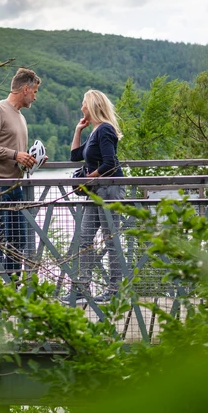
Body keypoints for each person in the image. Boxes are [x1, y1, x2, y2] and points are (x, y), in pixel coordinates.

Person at [0, 67, 43, 275]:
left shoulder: (20, 117)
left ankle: (12, 289)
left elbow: (16, 156)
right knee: (1, 241)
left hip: (14, 185)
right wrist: (15, 155)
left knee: (18, 241)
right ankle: (1, 292)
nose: (35, 97)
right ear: (25, 89)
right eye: (35, 92)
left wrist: (33, 159)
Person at [69, 89, 126, 301]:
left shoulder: (105, 130)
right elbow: (75, 156)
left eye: (83, 103)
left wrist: (86, 180)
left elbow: (110, 164)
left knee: (110, 240)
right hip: (96, 190)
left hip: (109, 189)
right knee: (84, 238)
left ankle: (115, 290)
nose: (81, 106)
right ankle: (82, 288)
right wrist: (78, 131)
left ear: (91, 106)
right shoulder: (95, 131)